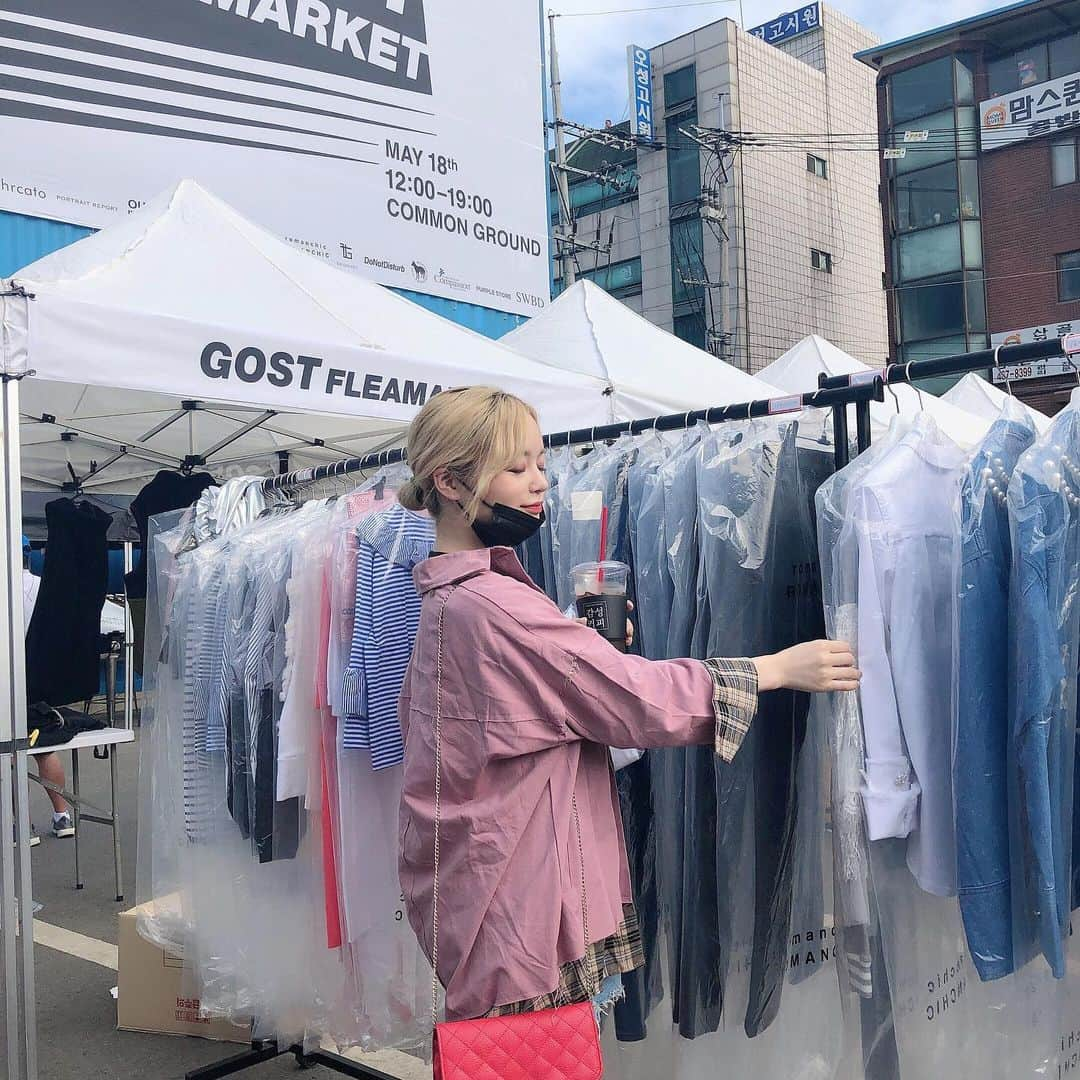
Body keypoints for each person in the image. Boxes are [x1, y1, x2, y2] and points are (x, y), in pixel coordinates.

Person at [396, 387, 860, 1023]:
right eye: (515, 467)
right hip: (519, 897)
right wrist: (775, 668)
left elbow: (522, 705)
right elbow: (635, 700)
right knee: (533, 1060)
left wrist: (580, 649)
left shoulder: (452, 598)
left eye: (539, 462)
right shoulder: (492, 605)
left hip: (484, 880)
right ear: (450, 480)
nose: (539, 484)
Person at [22, 536, 75, 844]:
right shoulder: (43, 587)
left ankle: (20, 825)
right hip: (40, 679)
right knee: (44, 748)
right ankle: (62, 815)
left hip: (8, 680)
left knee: (8, 754)